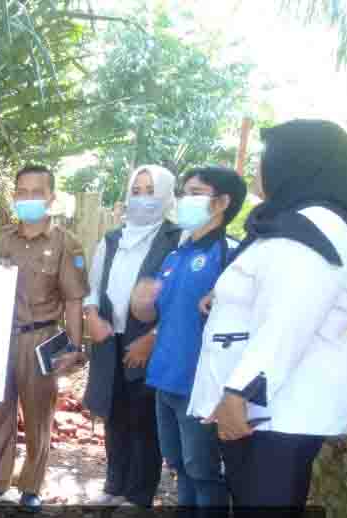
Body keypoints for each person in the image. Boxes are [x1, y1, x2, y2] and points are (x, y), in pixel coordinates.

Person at [188, 120, 347, 512]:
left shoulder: (314, 226)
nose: (258, 167)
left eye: (267, 157)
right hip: (271, 412)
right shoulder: (295, 222)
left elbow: (289, 320)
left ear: (297, 161)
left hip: (275, 413)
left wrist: (239, 393)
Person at [129, 166, 247, 510]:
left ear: (222, 202)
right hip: (165, 377)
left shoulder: (232, 255)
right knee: (179, 466)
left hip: (201, 384)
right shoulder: (175, 255)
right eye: (184, 192)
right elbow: (159, 315)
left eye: (196, 193)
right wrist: (142, 303)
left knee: (203, 471)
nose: (184, 200)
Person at [0, 164, 88, 512]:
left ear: (51, 197)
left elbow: (73, 299)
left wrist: (73, 346)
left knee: (38, 415)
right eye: (22, 192)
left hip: (40, 338)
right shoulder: (0, 241)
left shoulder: (66, 243)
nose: (28, 198)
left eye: (37, 192)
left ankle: (32, 486)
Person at [82, 165, 180, 507]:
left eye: (150, 190)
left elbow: (181, 301)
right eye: (136, 190)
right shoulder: (112, 239)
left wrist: (152, 338)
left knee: (144, 417)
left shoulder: (177, 239)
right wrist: (91, 315)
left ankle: (139, 493)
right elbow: (93, 288)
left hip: (152, 342)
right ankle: (114, 484)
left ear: (167, 194)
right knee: (114, 412)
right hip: (111, 338)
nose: (142, 199)